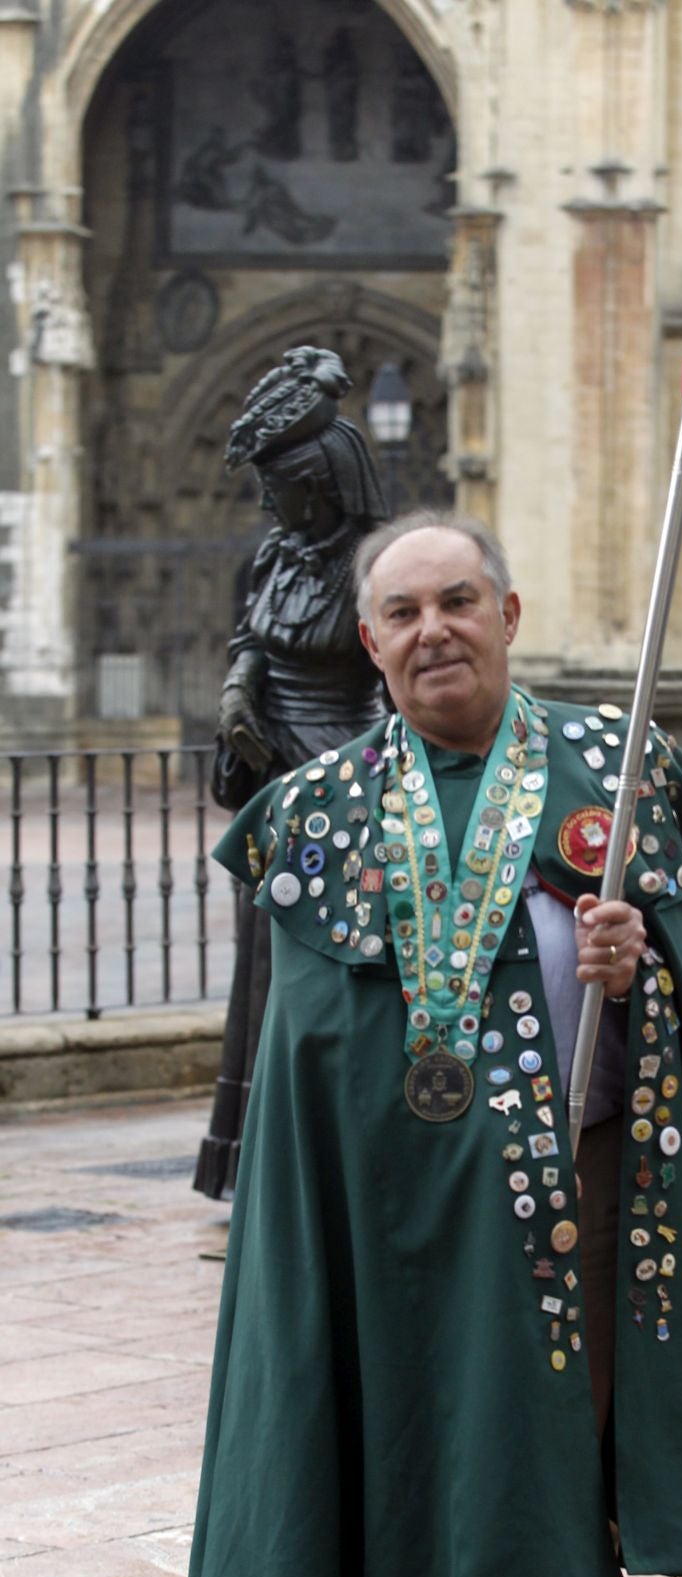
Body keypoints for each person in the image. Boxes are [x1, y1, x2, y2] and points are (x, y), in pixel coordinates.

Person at [182, 509, 682, 1577]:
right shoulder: (319, 823)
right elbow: (308, 1048)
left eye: (458, 600)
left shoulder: (616, 780)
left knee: (564, 1455)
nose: (433, 629)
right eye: (403, 613)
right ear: (372, 644)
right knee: (378, 1449)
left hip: (574, 1192)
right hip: (384, 1223)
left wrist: (643, 977)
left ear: (509, 611)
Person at [194, 346, 386, 1199]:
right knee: (263, 968)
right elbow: (251, 642)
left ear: (323, 484)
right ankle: (253, 1161)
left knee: (332, 973)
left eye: (282, 489)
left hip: (341, 776)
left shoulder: (374, 572)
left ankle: (329, 1164)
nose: (269, 504)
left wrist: (370, 783)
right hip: (270, 778)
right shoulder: (277, 557)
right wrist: (238, 694)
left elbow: (395, 684)